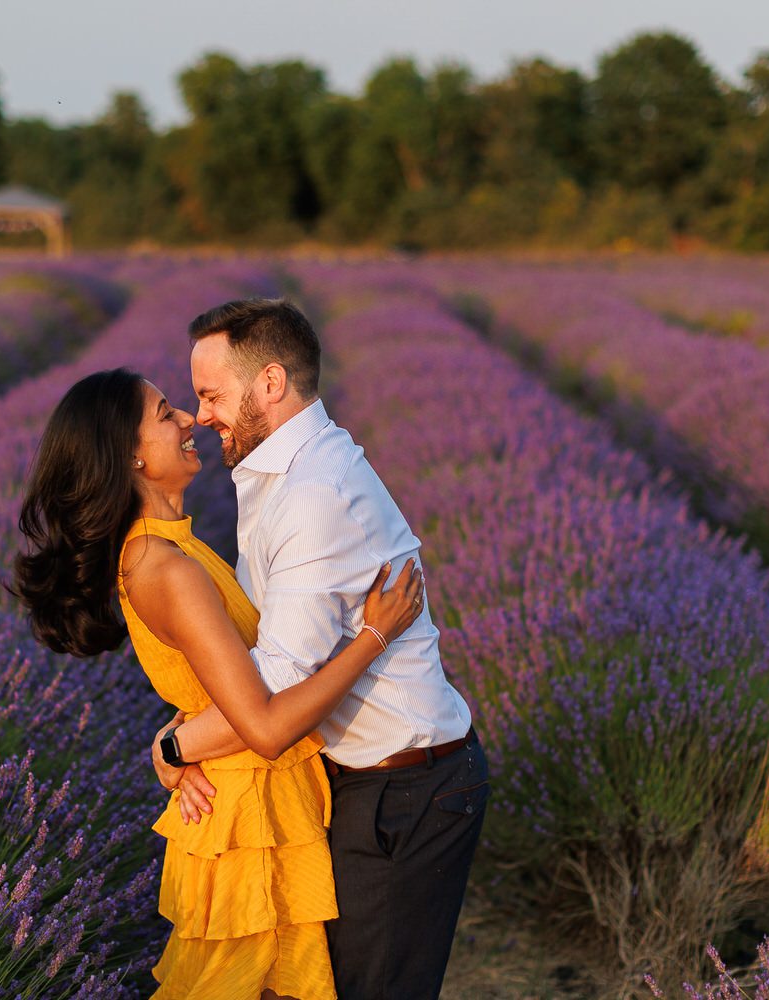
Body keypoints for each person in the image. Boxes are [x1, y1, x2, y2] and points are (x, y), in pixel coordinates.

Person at [12, 366, 427, 1000]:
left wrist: (174, 744)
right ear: (132, 459)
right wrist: (375, 636)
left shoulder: (174, 550)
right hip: (245, 817)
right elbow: (262, 725)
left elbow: (216, 692)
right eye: (165, 414)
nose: (188, 421)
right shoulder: (162, 566)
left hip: (257, 799)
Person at [156, 298, 489, 1000]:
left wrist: (177, 749)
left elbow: (270, 693)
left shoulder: (314, 493)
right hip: (358, 783)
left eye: (212, 394)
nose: (202, 414)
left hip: (403, 791)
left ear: (270, 384)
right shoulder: (276, 473)